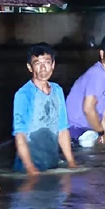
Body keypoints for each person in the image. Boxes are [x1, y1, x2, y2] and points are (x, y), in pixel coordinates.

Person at [12, 44, 77, 174]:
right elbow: (20, 135)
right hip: (28, 167)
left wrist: (71, 162)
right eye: (37, 63)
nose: (43, 68)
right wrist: (30, 168)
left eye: (47, 62)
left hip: (51, 163)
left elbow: (62, 130)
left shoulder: (57, 90)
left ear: (53, 65)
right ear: (30, 67)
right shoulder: (23, 95)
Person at [66, 34, 105, 147]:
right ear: (102, 54)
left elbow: (104, 114)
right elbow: (88, 108)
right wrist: (101, 132)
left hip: (90, 129)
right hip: (75, 129)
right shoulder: (96, 75)